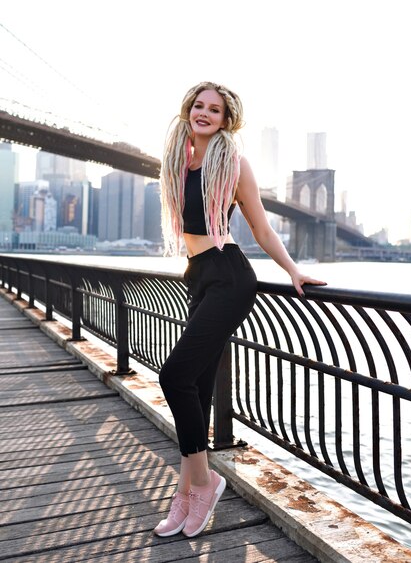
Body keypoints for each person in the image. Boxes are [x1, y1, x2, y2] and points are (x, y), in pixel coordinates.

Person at [155, 81, 326, 539]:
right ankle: (186, 492)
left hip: (230, 278)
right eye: (199, 105)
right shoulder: (178, 161)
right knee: (198, 389)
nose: (204, 113)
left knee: (173, 378)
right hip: (198, 276)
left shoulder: (232, 163)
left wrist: (293, 270)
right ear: (188, 110)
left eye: (215, 109)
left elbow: (261, 228)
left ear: (228, 120)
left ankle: (205, 483)